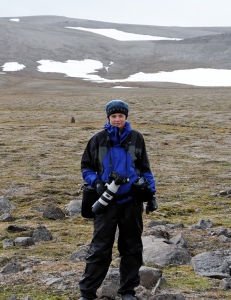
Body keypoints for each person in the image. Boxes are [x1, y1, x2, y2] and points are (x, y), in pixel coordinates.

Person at [78, 100, 157, 300]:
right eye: (113, 116)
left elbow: (145, 169)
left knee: (132, 247)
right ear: (108, 118)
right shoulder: (98, 139)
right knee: (100, 249)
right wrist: (96, 183)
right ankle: (87, 293)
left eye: (120, 116)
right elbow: (86, 168)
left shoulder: (136, 138)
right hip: (106, 203)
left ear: (126, 117)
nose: (117, 120)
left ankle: (128, 292)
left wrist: (151, 195)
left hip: (131, 201)